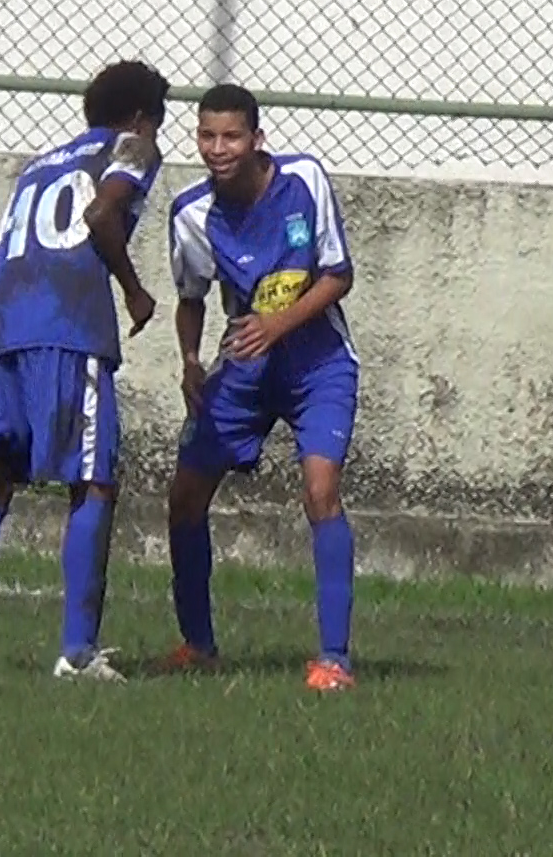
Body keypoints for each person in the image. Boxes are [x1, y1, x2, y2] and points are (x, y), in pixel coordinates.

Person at [0, 59, 169, 682]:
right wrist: (134, 292)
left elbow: (0, 250)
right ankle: (77, 652)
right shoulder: (131, 147)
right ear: (140, 118)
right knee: (93, 481)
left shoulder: (37, 167)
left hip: (1, 330)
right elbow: (100, 215)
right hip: (69, 327)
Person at [159, 83, 361, 693]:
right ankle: (198, 645)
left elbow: (338, 276)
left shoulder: (304, 180)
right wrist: (190, 362)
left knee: (320, 491)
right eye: (207, 136)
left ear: (256, 139)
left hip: (317, 362)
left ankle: (334, 660)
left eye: (231, 137)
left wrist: (277, 325)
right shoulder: (191, 214)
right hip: (245, 366)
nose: (218, 149)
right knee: (185, 495)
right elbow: (191, 297)